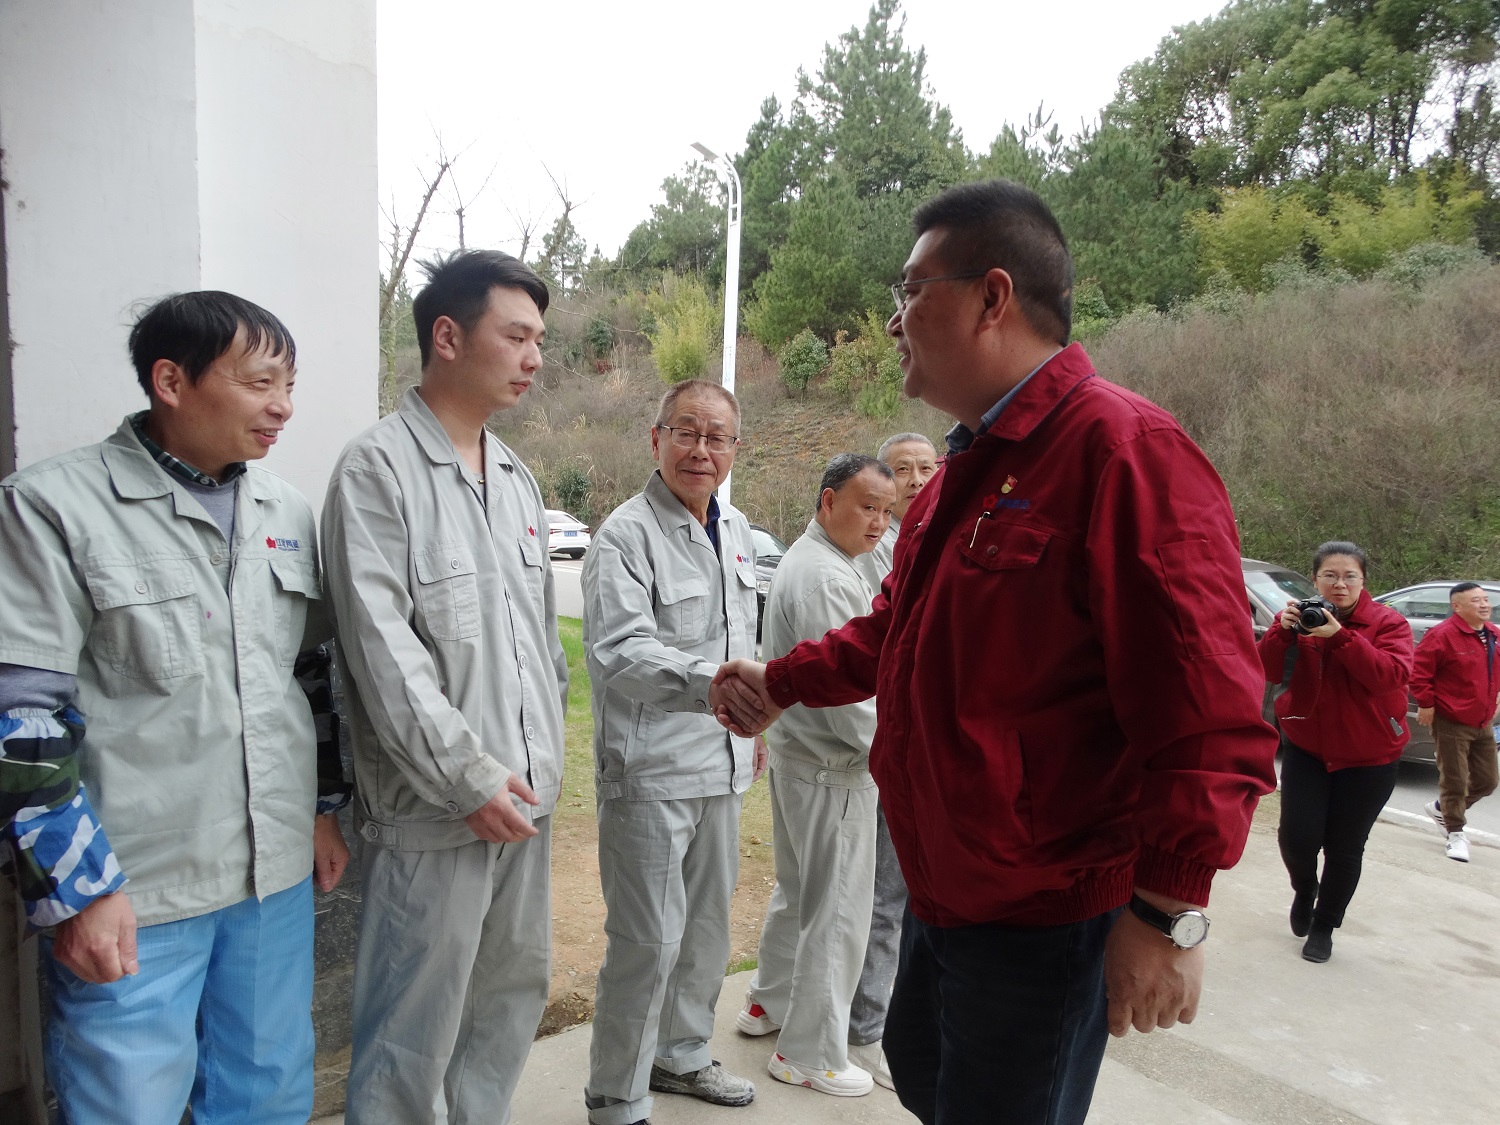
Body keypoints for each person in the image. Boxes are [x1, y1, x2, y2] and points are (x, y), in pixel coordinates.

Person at [713, 179, 1278, 1125]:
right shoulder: (963, 474)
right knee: (929, 1077)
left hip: (1042, 914)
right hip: (945, 890)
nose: (893, 320)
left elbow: (1211, 712)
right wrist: (783, 680)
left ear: (992, 296)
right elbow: (893, 630)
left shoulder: (1124, 452)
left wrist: (1168, 910)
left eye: (910, 291)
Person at [0, 291, 350, 1125]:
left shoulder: (284, 511)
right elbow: (22, 717)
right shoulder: (53, 506)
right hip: (136, 886)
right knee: (128, 1106)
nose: (283, 407)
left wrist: (320, 809)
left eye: (290, 385)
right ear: (170, 381)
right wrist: (79, 890)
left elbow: (307, 675)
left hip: (270, 878)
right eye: (260, 382)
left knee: (268, 1095)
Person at [321, 250, 568, 1125]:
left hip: (524, 800)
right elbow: (384, 656)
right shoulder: (376, 471)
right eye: (517, 336)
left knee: (507, 999)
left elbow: (541, 644)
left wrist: (543, 766)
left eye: (540, 340)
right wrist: (469, 777)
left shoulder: (516, 477)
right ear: (449, 337)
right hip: (438, 811)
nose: (534, 358)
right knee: (412, 1032)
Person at [581, 379, 766, 1125]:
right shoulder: (625, 536)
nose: (701, 449)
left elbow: (744, 637)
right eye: (686, 431)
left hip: (722, 766)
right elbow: (621, 652)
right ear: (656, 438)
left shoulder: (738, 528)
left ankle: (682, 1054)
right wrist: (717, 686)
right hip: (651, 772)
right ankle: (617, 1095)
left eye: (717, 436)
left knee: (706, 933)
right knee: (646, 943)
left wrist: (751, 728)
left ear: (735, 449)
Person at [736, 453, 896, 1098]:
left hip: (803, 759)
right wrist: (901, 759)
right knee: (837, 913)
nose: (878, 522)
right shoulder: (825, 577)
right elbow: (854, 704)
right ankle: (808, 1053)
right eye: (867, 507)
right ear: (828, 501)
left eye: (886, 511)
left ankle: (768, 1001)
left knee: (801, 891)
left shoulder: (822, 561)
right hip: (833, 768)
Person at [1257, 541, 1413, 962]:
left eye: (1349, 576)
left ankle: (1324, 925)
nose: (1339, 584)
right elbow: (1264, 669)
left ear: (1363, 581)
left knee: (1345, 847)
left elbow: (1390, 676)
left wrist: (1340, 637)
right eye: (1330, 575)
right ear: (1315, 579)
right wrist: (1280, 632)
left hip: (1370, 757)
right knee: (1296, 837)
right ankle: (1305, 887)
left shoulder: (1388, 623)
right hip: (1308, 747)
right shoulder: (1301, 617)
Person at [846, 431, 937, 1087]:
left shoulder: (940, 540)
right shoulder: (871, 550)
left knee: (906, 898)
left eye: (926, 468)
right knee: (882, 897)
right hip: (879, 749)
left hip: (923, 754)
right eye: (902, 469)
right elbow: (864, 647)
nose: (915, 480)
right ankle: (866, 1027)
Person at [1412, 581, 1500, 863]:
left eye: (1485, 599)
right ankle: (1455, 832)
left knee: (1487, 781)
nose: (1484, 605)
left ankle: (1442, 809)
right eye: (1476, 600)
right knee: (1455, 780)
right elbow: (1419, 673)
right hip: (1451, 719)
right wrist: (1426, 704)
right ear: (1457, 606)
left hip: (1483, 720)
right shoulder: (1442, 635)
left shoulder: (1493, 634)